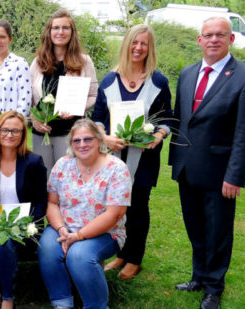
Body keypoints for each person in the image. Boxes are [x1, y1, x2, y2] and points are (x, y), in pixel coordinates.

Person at [168, 17, 245, 309]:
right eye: (207, 35)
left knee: (218, 232)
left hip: (220, 173)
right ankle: (198, 276)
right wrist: (175, 160)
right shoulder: (187, 73)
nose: (213, 40)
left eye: (220, 35)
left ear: (231, 39)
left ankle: (213, 288)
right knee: (195, 227)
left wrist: (235, 176)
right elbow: (181, 119)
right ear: (199, 40)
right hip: (187, 168)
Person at [90, 24, 173, 280]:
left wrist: (158, 136)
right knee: (115, 207)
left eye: (144, 44)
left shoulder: (158, 81)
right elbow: (97, 119)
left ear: (150, 48)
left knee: (137, 206)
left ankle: (135, 259)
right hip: (113, 157)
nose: (138, 48)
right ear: (127, 45)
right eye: (134, 42)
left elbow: (168, 119)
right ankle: (122, 254)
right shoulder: (109, 80)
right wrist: (104, 137)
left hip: (143, 158)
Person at [38, 119, 132, 309]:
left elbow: (114, 214)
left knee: (79, 255)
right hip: (64, 226)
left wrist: (79, 236)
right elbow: (52, 203)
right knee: (47, 248)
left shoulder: (117, 168)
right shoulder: (63, 165)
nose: (82, 145)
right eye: (76, 141)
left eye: (88, 139)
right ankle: (62, 303)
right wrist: (62, 229)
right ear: (71, 144)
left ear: (99, 141)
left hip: (104, 232)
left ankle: (96, 305)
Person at [0, 111, 47, 309]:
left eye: (16, 130)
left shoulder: (34, 162)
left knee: (5, 243)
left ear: (23, 134)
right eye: (5, 129)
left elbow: (42, 202)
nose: (10, 134)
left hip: (25, 225)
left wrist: (27, 223)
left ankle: (8, 297)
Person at [30, 9, 98, 176]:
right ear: (49, 31)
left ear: (72, 32)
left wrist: (77, 108)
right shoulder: (38, 62)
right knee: (44, 179)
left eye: (65, 28)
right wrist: (33, 119)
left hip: (70, 132)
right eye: (56, 28)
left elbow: (94, 95)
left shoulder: (84, 61)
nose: (60, 32)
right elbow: (29, 98)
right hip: (42, 133)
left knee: (69, 179)